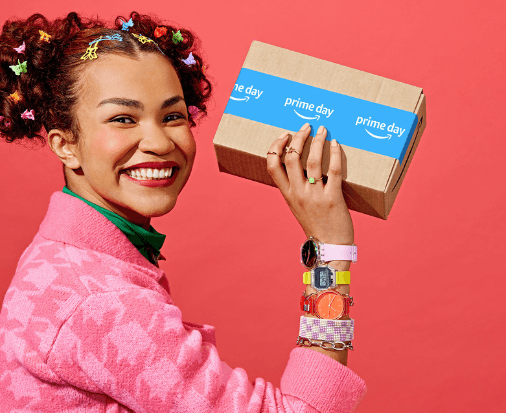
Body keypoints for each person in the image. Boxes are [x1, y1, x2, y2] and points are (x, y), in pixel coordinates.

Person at [0, 11, 366, 413]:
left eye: (172, 116)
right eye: (123, 118)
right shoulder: (99, 300)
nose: (159, 142)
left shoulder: (72, 260)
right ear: (65, 144)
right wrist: (330, 249)